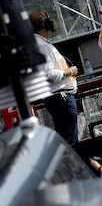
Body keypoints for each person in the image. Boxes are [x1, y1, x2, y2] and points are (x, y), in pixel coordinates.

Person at [29, 9, 78, 146]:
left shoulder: (39, 44)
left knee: (66, 139)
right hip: (61, 98)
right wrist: (69, 72)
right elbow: (48, 74)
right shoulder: (42, 46)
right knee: (69, 141)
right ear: (46, 25)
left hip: (58, 98)